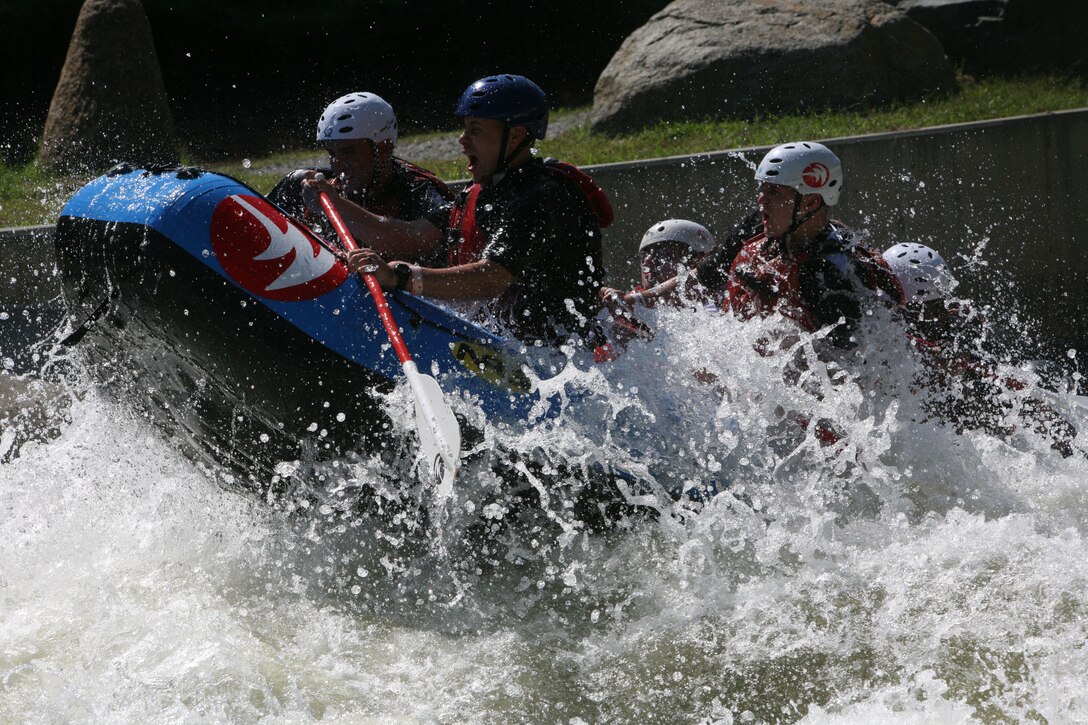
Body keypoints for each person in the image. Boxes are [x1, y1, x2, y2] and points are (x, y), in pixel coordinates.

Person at [326, 74, 609, 349]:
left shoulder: (541, 197)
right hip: (517, 349)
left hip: (565, 355)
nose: (462, 140)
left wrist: (400, 277)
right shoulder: (485, 192)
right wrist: (333, 202)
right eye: (464, 129)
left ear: (515, 136)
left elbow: (492, 277)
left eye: (475, 130)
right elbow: (410, 234)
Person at [883, 242, 1078, 456]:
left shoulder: (963, 330)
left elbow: (1008, 394)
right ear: (906, 308)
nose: (941, 316)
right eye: (932, 308)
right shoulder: (883, 340)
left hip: (973, 434)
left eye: (941, 303)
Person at [267, 92, 453, 262]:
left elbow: (417, 242)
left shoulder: (420, 189)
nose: (336, 165)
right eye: (332, 153)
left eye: (349, 153)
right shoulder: (307, 183)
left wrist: (337, 205)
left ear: (383, 149)